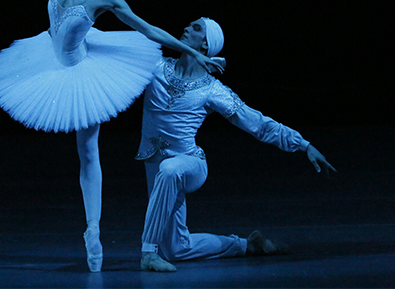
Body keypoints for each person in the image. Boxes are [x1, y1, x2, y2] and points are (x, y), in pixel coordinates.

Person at [0, 0, 224, 273]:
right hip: (46, 58)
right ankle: (94, 229)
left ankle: (92, 231)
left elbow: (149, 30)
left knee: (89, 152)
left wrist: (190, 51)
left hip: (82, 68)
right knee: (86, 150)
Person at [136, 17, 337, 272]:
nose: (186, 28)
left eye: (196, 28)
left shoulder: (212, 90)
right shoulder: (156, 67)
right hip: (158, 166)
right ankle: (248, 245)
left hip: (189, 164)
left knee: (170, 169)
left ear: (206, 45)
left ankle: (148, 252)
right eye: (189, 24)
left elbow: (259, 124)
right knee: (177, 248)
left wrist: (304, 144)